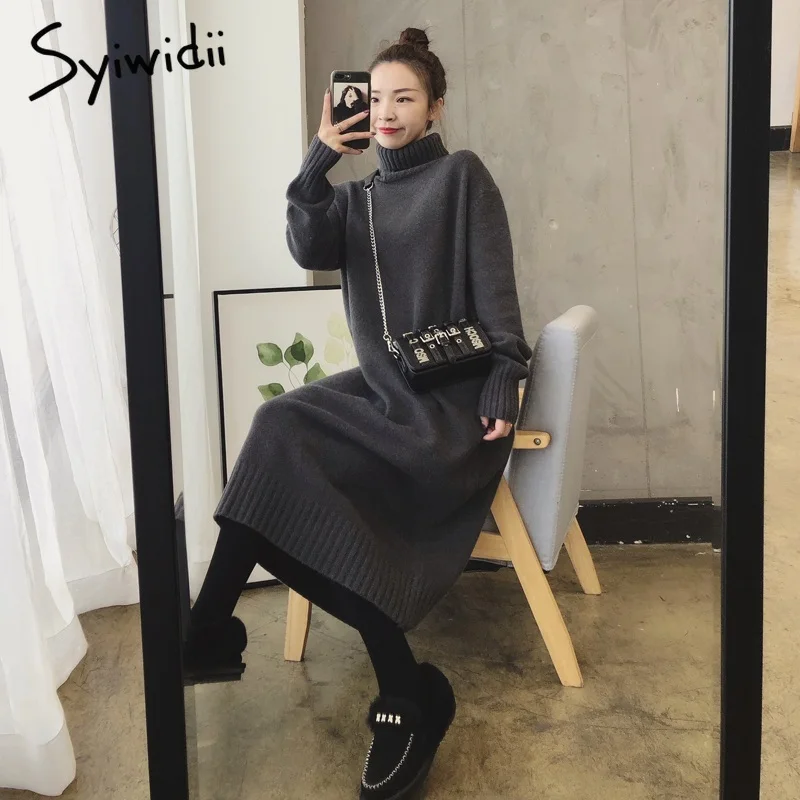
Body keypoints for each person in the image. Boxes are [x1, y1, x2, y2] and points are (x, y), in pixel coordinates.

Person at [183, 25, 532, 800]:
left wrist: (506, 374)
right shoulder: (356, 200)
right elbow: (308, 245)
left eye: (403, 98)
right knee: (278, 425)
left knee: (283, 436)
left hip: (445, 409)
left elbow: (497, 291)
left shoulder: (463, 179)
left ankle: (210, 631)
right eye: (373, 100)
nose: (385, 112)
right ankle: (391, 686)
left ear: (435, 108)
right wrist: (319, 157)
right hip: (385, 393)